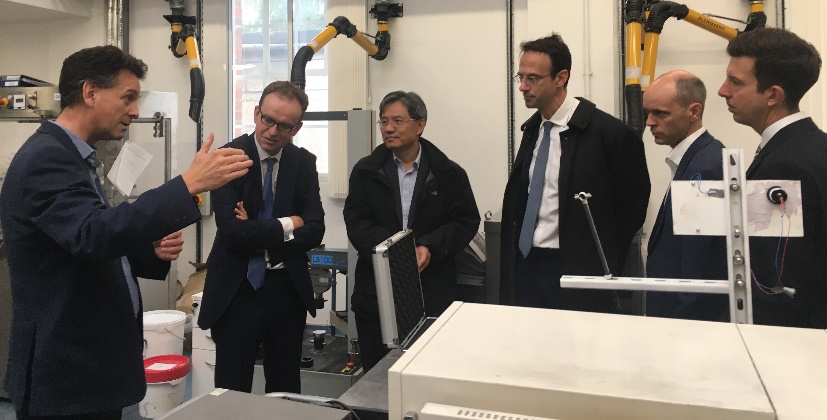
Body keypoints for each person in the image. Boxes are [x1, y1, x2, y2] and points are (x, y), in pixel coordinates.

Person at [0, 45, 252, 420]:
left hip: (90, 366)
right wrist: (185, 186)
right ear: (90, 93)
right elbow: (90, 235)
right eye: (128, 97)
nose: (135, 111)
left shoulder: (75, 156)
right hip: (66, 371)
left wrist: (147, 248)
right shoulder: (46, 159)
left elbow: (89, 241)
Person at [500, 33, 650, 312]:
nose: (522, 87)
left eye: (532, 78)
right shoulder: (533, 131)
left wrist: (593, 257)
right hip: (527, 263)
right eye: (519, 77)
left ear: (561, 77)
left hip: (577, 271)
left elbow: (631, 208)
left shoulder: (610, 135)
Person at [197, 81, 324, 393]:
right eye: (268, 120)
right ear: (256, 113)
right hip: (237, 290)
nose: (273, 131)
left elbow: (316, 229)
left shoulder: (303, 163)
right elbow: (234, 232)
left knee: (284, 386)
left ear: (297, 127)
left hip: (285, 290)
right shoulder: (227, 157)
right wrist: (289, 224)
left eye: (284, 125)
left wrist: (257, 227)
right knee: (232, 386)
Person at [343, 91, 479, 372]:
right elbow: (356, 220)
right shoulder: (366, 172)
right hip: (376, 294)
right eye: (383, 121)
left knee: (428, 374)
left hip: (431, 292)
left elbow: (465, 221)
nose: (388, 128)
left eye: (397, 120)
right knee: (376, 380)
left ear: (420, 124)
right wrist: (394, 251)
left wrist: (429, 245)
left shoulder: (449, 174)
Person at [718, 27, 827, 328]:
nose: (722, 90)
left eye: (735, 82)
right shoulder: (815, 147)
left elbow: (774, 286)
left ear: (773, 95)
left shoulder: (783, 166)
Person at [643, 70, 728, 321]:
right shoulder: (695, 160)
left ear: (693, 111)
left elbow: (698, 262)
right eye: (647, 112)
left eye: (660, 113)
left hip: (685, 320)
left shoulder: (705, 167)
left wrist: (683, 323)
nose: (649, 122)